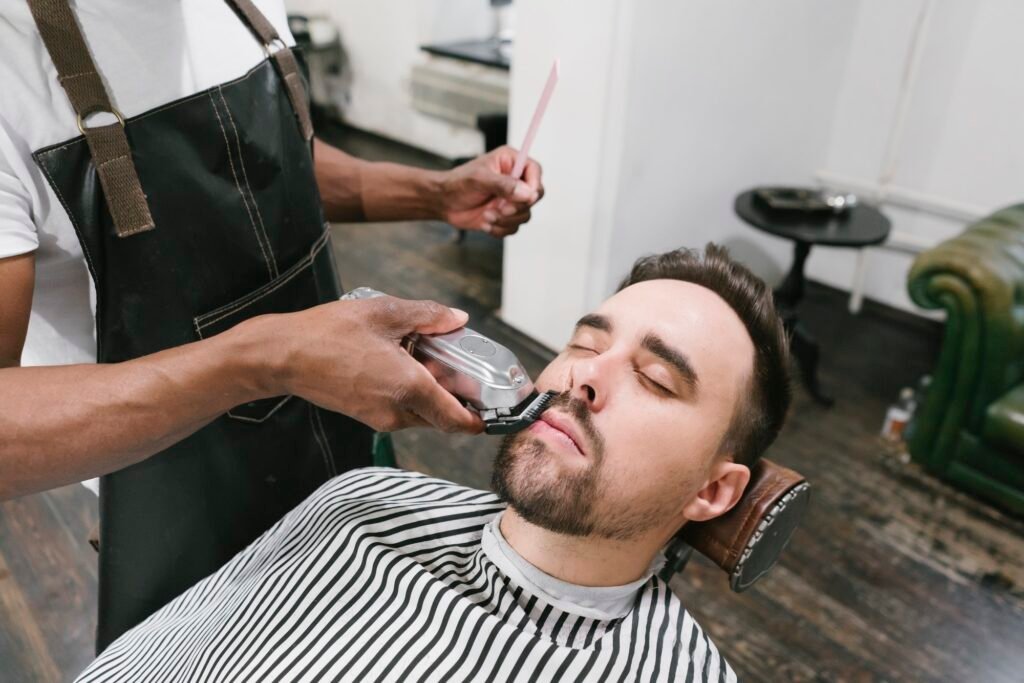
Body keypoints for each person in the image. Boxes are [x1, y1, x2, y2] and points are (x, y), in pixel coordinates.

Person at [0, 0, 543, 650]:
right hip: (183, 500)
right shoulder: (13, 63)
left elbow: (265, 159)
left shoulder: (243, 9)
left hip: (341, 443)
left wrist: (433, 193)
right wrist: (266, 360)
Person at [74, 245, 792, 682]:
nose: (585, 376)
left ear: (712, 489)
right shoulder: (358, 503)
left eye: (657, 379)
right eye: (582, 343)